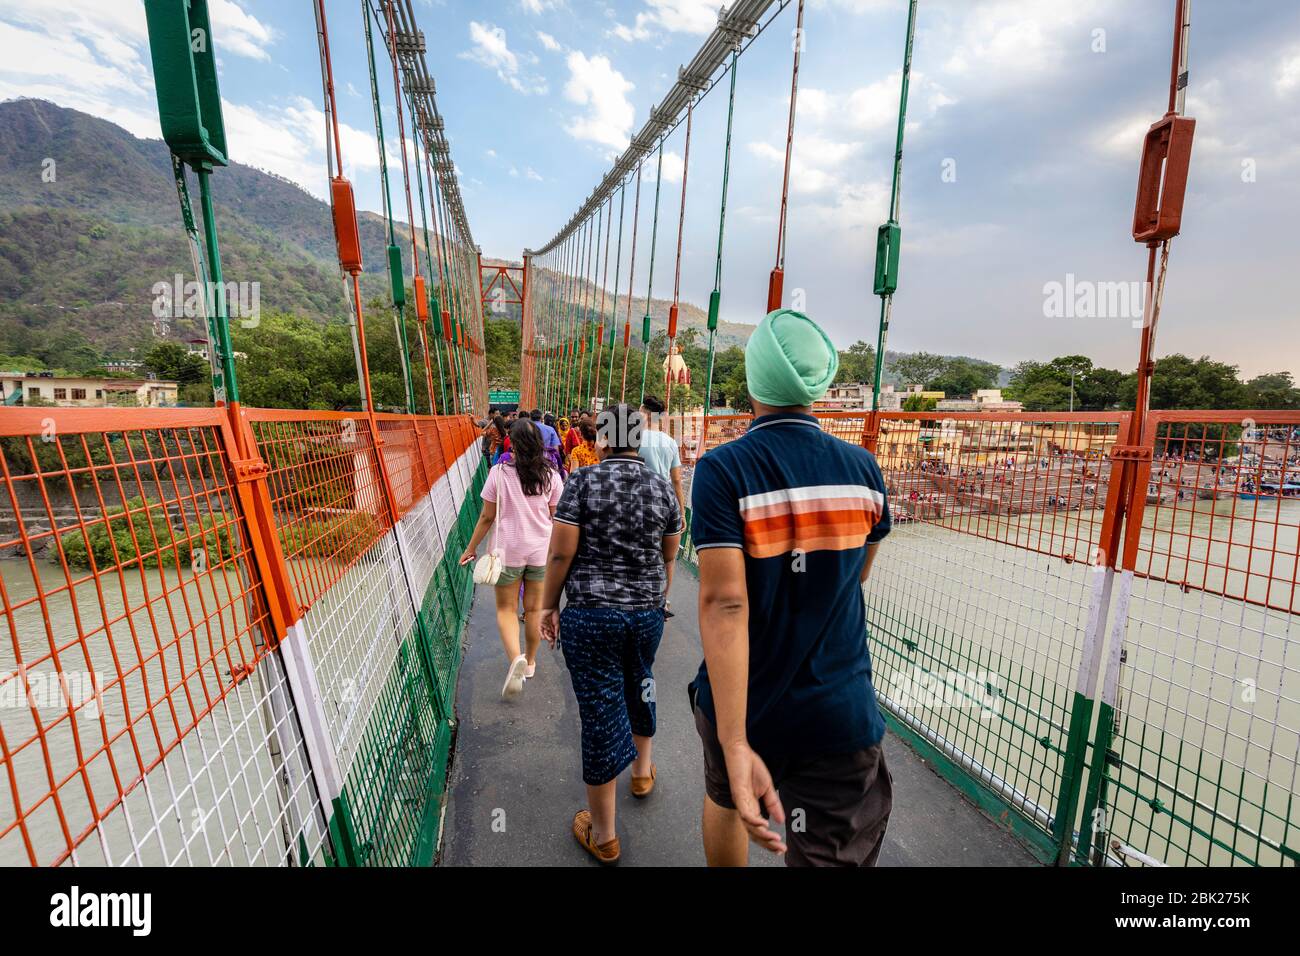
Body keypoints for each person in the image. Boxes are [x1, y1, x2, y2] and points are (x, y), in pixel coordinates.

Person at [688, 308, 893, 867]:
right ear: (819, 386)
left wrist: (735, 742)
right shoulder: (863, 470)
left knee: (730, 800)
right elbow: (859, 573)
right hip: (837, 707)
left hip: (742, 703)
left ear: (754, 382)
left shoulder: (723, 470)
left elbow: (726, 601)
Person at [540, 404, 682, 865]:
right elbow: (669, 556)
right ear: (639, 441)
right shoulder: (662, 488)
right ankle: (641, 773)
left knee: (601, 708)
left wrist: (548, 604)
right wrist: (659, 601)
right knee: (641, 682)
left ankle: (604, 835)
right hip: (645, 614)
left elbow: (561, 555)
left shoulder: (582, 482)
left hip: (592, 614)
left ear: (601, 440)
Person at [460, 417, 563, 700]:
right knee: (533, 611)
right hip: (541, 551)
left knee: (506, 609)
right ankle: (529, 662)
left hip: (508, 552)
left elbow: (486, 517)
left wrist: (471, 548)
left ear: (512, 444)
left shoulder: (499, 473)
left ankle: (514, 658)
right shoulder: (552, 476)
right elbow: (557, 517)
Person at [638, 395, 685, 520]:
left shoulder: (634, 440)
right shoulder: (671, 442)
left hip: (638, 498)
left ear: (643, 412)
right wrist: (682, 513)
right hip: (661, 501)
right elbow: (676, 480)